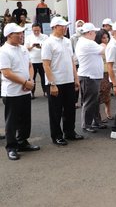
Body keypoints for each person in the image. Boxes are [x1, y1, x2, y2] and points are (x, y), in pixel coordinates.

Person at [0, 23, 39, 161]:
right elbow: (7, 73)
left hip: (25, 90)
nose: (21, 35)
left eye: (22, 33)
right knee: (12, 121)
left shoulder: (23, 49)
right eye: (18, 33)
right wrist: (25, 82)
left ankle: (22, 142)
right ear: (9, 35)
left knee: (25, 119)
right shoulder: (4, 51)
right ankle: (11, 147)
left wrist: (29, 81)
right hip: (12, 92)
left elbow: (30, 65)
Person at [42, 16, 83, 146]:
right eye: (62, 26)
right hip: (56, 83)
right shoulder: (48, 43)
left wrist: (75, 78)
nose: (65, 28)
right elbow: (46, 65)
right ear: (54, 27)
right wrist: (52, 84)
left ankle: (69, 132)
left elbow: (71, 61)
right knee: (56, 111)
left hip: (69, 80)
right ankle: (57, 136)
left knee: (70, 108)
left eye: (66, 26)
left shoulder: (66, 41)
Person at [75, 23, 106, 133]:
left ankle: (95, 121)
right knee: (89, 101)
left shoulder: (86, 42)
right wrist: (103, 45)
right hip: (89, 76)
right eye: (95, 32)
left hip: (91, 75)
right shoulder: (87, 43)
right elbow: (103, 50)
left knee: (94, 100)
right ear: (90, 32)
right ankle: (86, 124)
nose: (96, 34)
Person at [24, 23, 48, 98]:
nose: (36, 32)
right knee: (32, 77)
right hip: (32, 60)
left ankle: (46, 91)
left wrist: (40, 46)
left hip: (42, 60)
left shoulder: (45, 36)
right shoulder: (28, 37)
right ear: (32, 30)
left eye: (38, 30)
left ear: (40, 29)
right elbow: (25, 49)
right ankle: (31, 92)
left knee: (44, 77)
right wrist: (32, 46)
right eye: (35, 30)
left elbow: (48, 47)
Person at [95, 29, 113, 121]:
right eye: (103, 38)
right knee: (100, 93)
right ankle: (97, 116)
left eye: (107, 37)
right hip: (101, 73)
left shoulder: (109, 45)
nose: (106, 39)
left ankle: (108, 111)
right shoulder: (98, 46)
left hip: (109, 72)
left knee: (107, 93)